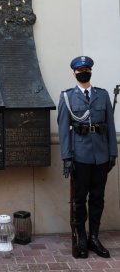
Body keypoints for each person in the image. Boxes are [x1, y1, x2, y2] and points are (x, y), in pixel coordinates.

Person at [58, 56, 117, 259]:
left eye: (87, 69)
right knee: (79, 199)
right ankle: (81, 237)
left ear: (91, 71)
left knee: (98, 199)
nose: (83, 72)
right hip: (80, 156)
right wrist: (66, 157)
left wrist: (113, 153)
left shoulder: (102, 95)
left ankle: (94, 237)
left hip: (101, 156)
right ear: (74, 73)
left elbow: (110, 125)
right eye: (80, 69)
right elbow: (64, 130)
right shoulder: (67, 97)